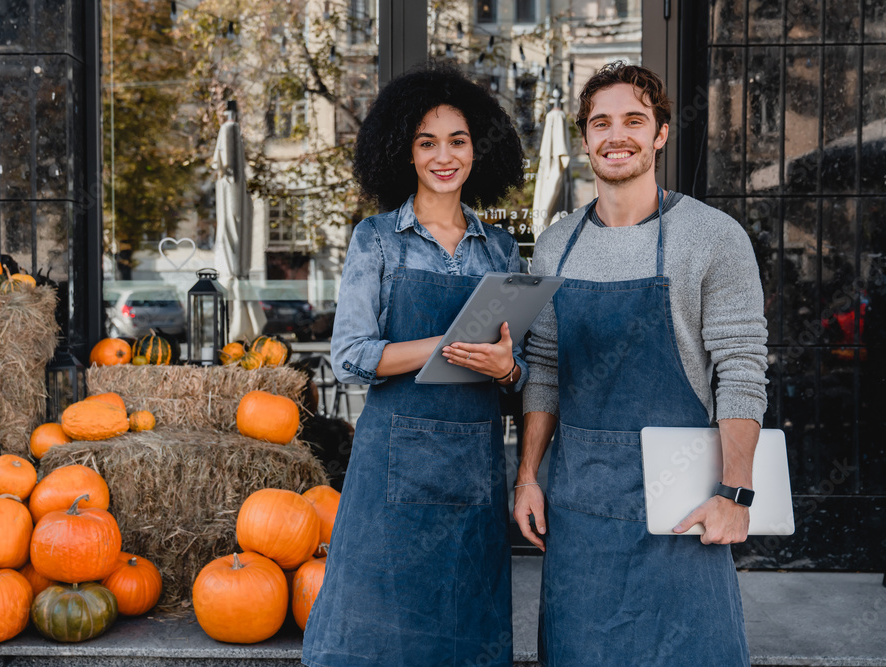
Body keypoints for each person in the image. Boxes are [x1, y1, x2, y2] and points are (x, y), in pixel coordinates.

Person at [514, 61, 768, 666]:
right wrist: (527, 476)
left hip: (686, 506)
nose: (615, 134)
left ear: (659, 134)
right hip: (581, 515)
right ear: (585, 140)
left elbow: (740, 368)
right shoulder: (555, 245)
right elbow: (544, 369)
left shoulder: (712, 236)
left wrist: (736, 492)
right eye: (600, 123)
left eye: (634, 119)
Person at [302, 64, 527, 667]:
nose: (443, 156)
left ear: (479, 150)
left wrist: (506, 369)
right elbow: (349, 356)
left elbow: (521, 378)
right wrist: (444, 345)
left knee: (466, 631)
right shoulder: (376, 240)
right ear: (404, 153)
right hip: (390, 473)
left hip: (476, 471)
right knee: (379, 635)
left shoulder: (502, 250)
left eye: (458, 141)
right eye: (427, 142)